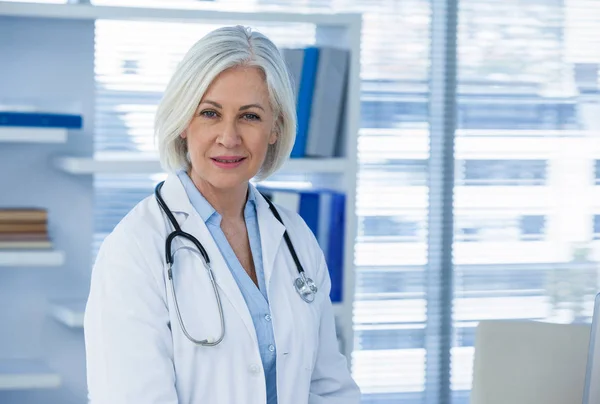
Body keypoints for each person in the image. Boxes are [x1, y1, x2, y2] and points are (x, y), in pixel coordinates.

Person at [83, 25, 361, 404]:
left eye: (249, 116)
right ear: (184, 122)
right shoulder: (135, 248)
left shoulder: (295, 237)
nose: (229, 138)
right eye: (210, 113)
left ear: (275, 128)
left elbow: (329, 389)